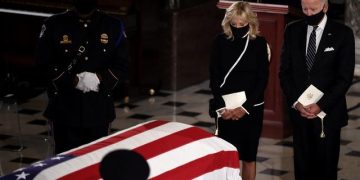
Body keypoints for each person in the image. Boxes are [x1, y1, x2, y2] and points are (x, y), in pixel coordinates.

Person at [36, 0, 129, 154]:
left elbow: (122, 65)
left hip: (98, 109)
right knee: (64, 165)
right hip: (64, 109)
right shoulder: (53, 25)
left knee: (94, 164)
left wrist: (99, 79)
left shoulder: (113, 26)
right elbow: (43, 64)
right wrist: (74, 81)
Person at [279, 0, 355, 179]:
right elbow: (285, 73)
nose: (309, 13)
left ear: (325, 7)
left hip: (328, 117)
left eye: (314, 9)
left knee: (326, 171)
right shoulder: (292, 30)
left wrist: (321, 104)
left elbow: (344, 78)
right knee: (302, 169)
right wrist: (297, 103)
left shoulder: (343, 34)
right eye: (305, 9)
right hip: (300, 115)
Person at [209, 2, 269, 180]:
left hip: (251, 108)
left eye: (242, 24)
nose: (237, 28)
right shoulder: (219, 42)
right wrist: (221, 107)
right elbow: (214, 77)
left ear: (250, 23)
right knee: (227, 156)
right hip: (225, 108)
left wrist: (244, 108)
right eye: (234, 24)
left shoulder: (259, 44)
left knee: (249, 157)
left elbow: (262, 80)